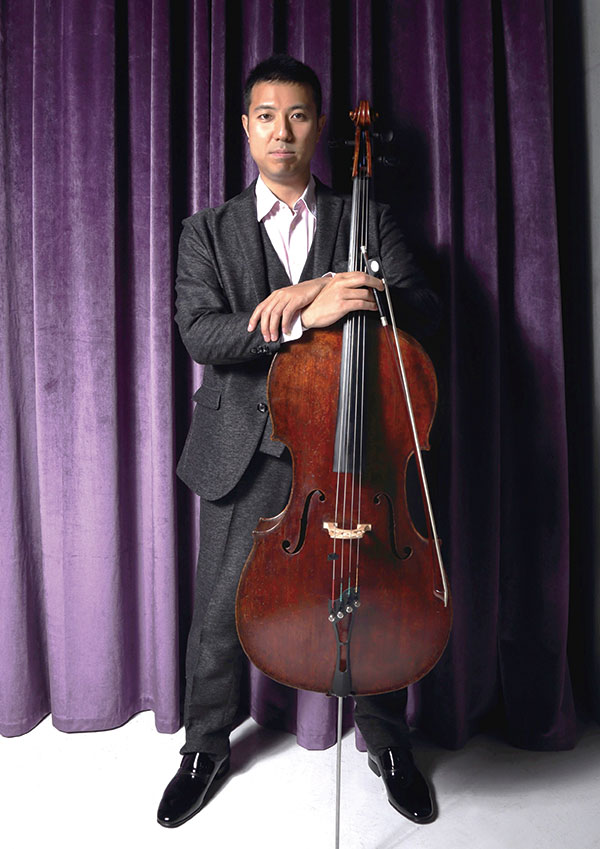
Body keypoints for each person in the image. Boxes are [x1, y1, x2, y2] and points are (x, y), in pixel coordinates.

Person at [157, 54, 441, 829]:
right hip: (244, 446)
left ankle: (387, 739)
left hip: (349, 444)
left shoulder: (364, 217)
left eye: (299, 115)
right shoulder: (205, 231)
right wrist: (304, 310)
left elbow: (418, 304)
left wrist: (321, 289)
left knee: (370, 595)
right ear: (246, 129)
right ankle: (204, 746)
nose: (282, 130)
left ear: (317, 129)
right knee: (220, 609)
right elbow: (202, 333)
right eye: (266, 116)